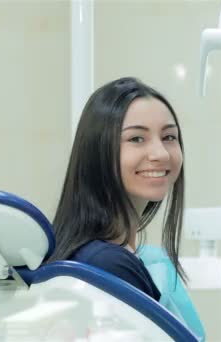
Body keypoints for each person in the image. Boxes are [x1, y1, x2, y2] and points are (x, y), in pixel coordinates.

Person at [48, 77, 186, 302]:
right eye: (137, 138)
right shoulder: (108, 264)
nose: (161, 154)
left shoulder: (108, 255)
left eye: (169, 137)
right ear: (97, 151)